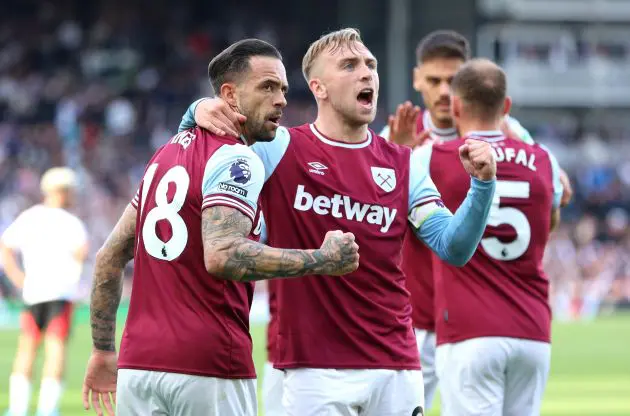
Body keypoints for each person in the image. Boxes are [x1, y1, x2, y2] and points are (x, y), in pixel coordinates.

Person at [179, 28, 497, 416]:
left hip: (395, 367)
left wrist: (482, 185)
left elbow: (454, 247)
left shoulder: (404, 163)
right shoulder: (277, 147)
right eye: (349, 65)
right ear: (319, 88)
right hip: (309, 368)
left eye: (370, 65)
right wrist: (195, 110)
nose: (366, 73)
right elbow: (197, 152)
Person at [81, 38, 360, 416]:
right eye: (267, 87)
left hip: (139, 368)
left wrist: (102, 350)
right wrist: (321, 259)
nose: (280, 100)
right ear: (228, 94)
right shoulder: (237, 160)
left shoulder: (163, 156)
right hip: (209, 366)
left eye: (283, 89)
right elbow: (223, 254)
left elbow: (108, 257)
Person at [382, 30, 572, 410]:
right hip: (416, 316)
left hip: (463, 319)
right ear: (418, 79)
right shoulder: (397, 137)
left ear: (460, 98)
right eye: (434, 81)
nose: (442, 91)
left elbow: (560, 188)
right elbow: (555, 193)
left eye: (452, 82)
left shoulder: (500, 134)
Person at [424, 58, 562, 416]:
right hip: (533, 330)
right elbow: (550, 222)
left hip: (470, 329)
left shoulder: (434, 157)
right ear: (506, 107)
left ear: (455, 105)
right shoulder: (544, 159)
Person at [1, 167, 88, 416]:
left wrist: (18, 278)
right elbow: (82, 254)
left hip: (33, 292)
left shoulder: (30, 217)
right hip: (60, 294)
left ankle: (18, 409)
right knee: (55, 351)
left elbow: (5, 246)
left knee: (26, 350)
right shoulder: (72, 223)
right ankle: (47, 410)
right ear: (63, 191)